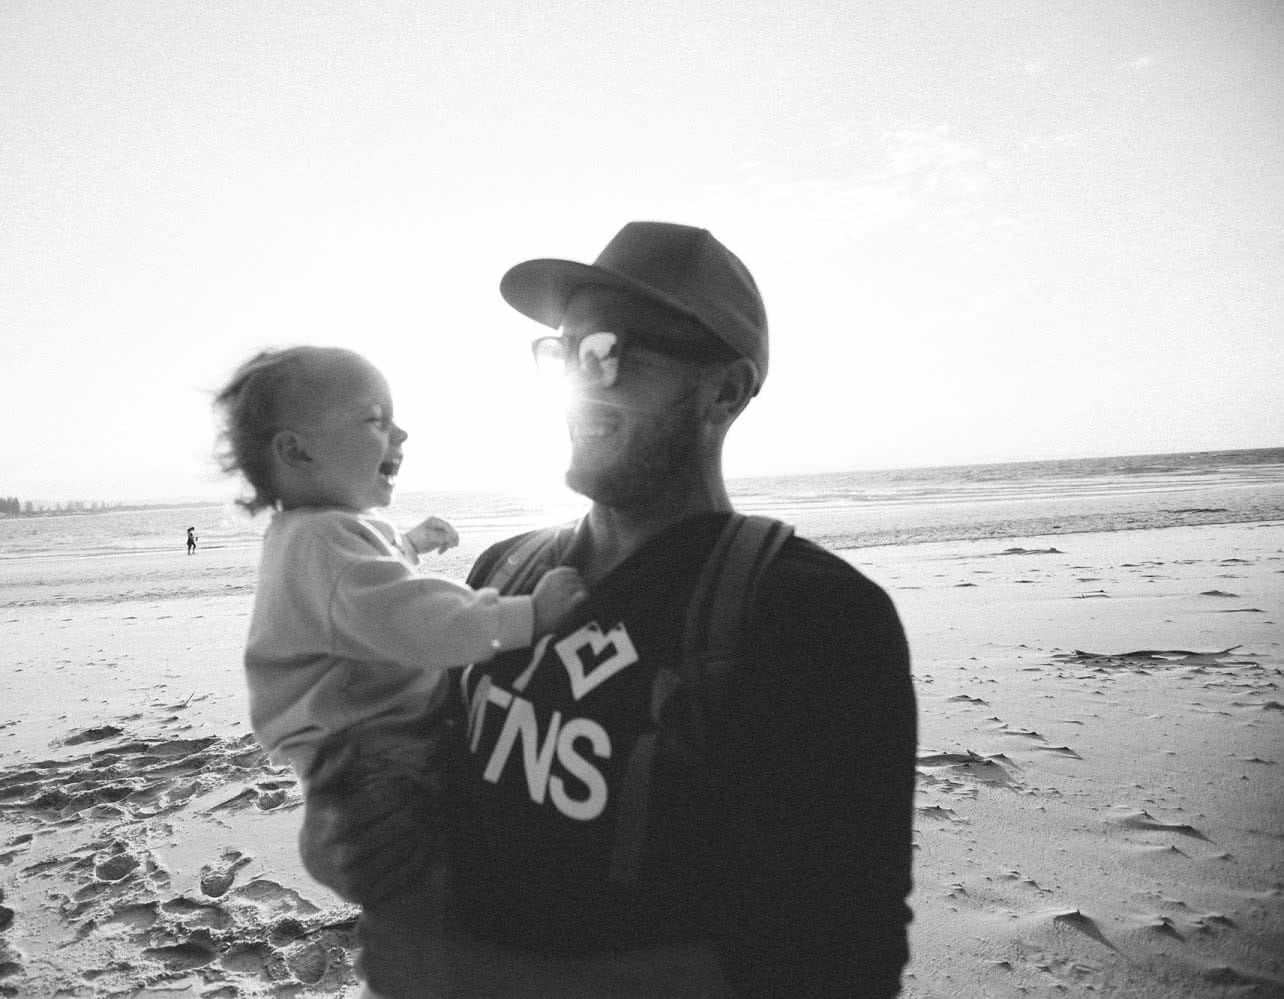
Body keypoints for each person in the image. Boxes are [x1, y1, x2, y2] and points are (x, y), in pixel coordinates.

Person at [302, 222, 917, 998]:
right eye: (565, 353)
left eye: (610, 352)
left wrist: (477, 976)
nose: (582, 382)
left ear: (723, 391)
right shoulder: (505, 573)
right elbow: (433, 804)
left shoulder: (811, 619)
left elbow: (840, 964)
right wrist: (348, 832)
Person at [213, 345, 588, 996]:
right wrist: (531, 613)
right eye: (375, 420)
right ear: (297, 452)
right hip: (375, 780)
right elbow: (417, 620)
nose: (401, 434)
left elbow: (366, 595)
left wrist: (409, 544)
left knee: (428, 920)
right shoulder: (324, 543)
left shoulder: (316, 534)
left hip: (357, 777)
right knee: (434, 932)